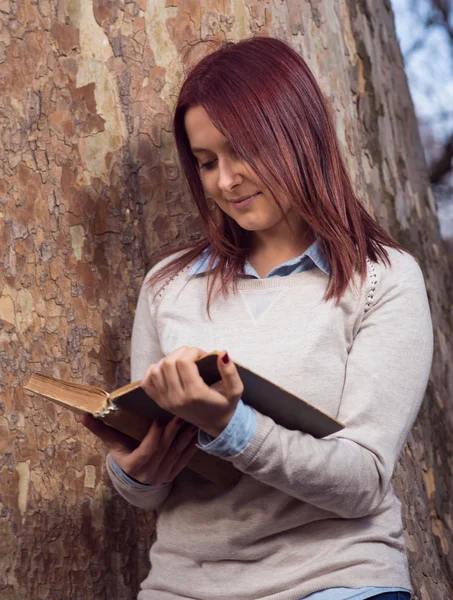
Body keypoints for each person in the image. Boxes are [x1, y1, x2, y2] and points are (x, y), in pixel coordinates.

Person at [81, 36, 433, 600]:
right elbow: (154, 495)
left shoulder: (385, 279)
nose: (225, 181)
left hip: (334, 580)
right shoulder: (168, 286)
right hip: (185, 586)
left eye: (242, 150)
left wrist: (232, 427)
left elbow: (364, 482)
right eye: (206, 162)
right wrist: (137, 471)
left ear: (299, 135)